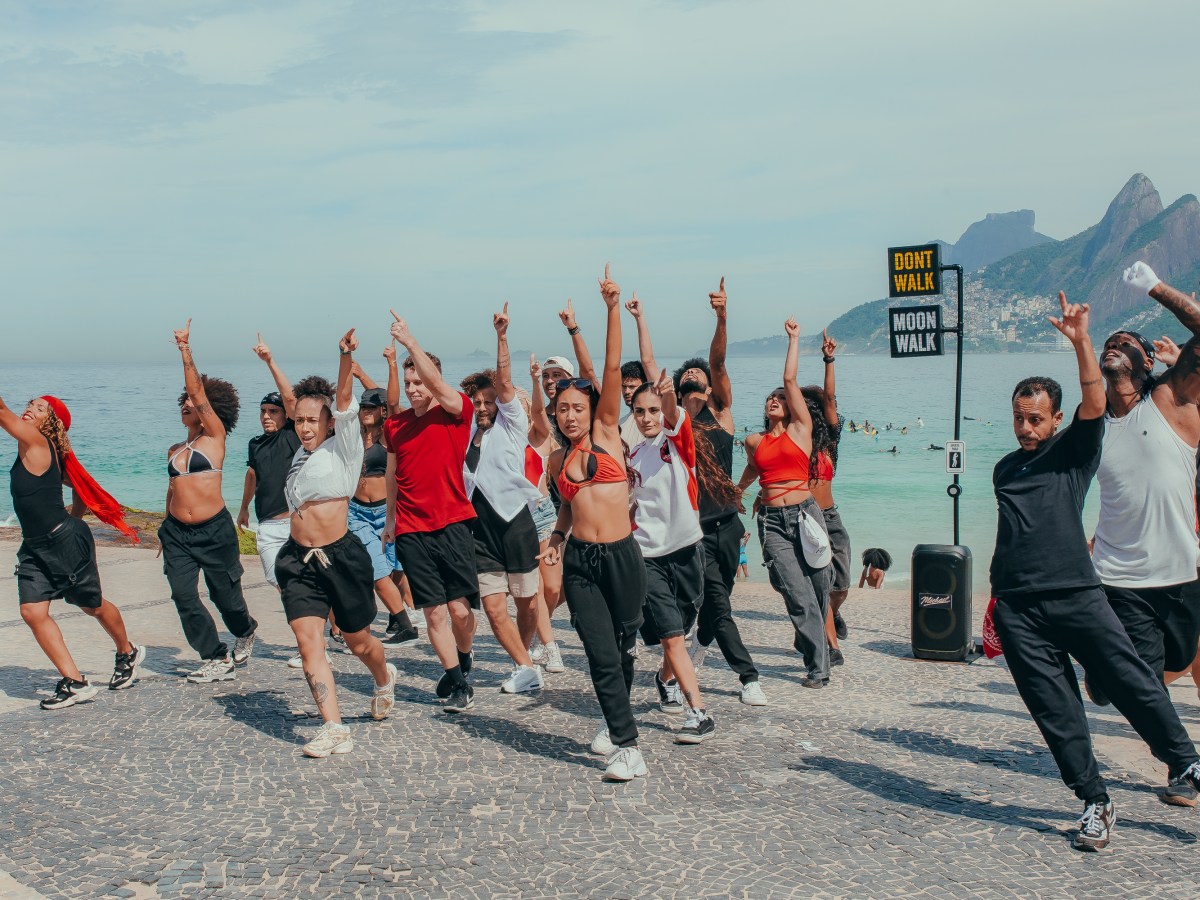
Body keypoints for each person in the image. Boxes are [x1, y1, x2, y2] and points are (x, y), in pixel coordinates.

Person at [989, 291, 1200, 851]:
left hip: (1078, 594)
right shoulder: (1004, 469)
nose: (1026, 428)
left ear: (1056, 419)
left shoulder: (1077, 449)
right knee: (1055, 712)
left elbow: (1092, 395)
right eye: (1019, 418)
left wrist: (1082, 340)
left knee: (1131, 679)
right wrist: (996, 601)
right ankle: (1094, 801)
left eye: (1036, 419)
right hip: (1017, 606)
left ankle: (1186, 761)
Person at [632, 279, 766, 705]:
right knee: (718, 605)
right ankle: (748, 677)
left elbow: (718, 361)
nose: (693, 375)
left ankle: (686, 659)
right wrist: (639, 319)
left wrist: (722, 317)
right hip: (694, 530)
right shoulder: (674, 426)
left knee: (712, 607)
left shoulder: (721, 414)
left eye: (699, 375)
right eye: (686, 374)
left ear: (710, 388)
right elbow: (650, 366)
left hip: (728, 526)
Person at [541, 264, 649, 781]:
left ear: (592, 409)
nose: (569, 416)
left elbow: (608, 365)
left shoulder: (607, 432)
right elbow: (568, 504)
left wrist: (610, 310)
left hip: (623, 557)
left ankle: (613, 720)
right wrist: (557, 536)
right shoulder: (556, 462)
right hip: (582, 561)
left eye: (576, 408)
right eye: (561, 409)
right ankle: (628, 746)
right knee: (601, 652)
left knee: (624, 646)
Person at [275, 329, 396, 758]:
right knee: (308, 641)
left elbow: (344, 398)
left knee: (359, 642)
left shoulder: (344, 446)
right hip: (298, 560)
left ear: (329, 422)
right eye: (300, 420)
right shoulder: (300, 455)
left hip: (341, 557)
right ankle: (334, 727)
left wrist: (344, 357)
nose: (305, 427)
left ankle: (383, 677)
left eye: (313, 420)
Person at [2, 392, 144, 709]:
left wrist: (71, 526)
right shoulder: (41, 451)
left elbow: (2, 413)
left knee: (91, 605)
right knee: (32, 612)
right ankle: (75, 682)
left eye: (40, 408)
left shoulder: (39, 443)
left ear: (50, 424)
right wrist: (75, 518)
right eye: (30, 404)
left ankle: (127, 651)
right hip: (35, 545)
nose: (30, 409)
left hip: (63, 544)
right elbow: (80, 488)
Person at [384, 314, 480, 713]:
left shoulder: (457, 412)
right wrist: (390, 520)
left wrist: (410, 342)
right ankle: (458, 683)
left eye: (419, 382)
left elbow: (441, 389)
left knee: (460, 611)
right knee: (434, 612)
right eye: (408, 383)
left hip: (453, 523)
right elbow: (392, 474)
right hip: (411, 529)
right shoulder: (395, 426)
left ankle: (464, 656)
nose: (412, 389)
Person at [161, 320, 258, 684]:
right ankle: (215, 656)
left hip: (214, 531)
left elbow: (197, 391)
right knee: (183, 596)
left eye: (192, 401)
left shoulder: (214, 438)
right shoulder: (174, 450)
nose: (187, 404)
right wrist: (164, 528)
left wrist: (185, 349)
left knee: (225, 595)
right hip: (177, 534)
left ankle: (245, 629)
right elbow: (172, 489)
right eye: (183, 401)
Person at [737, 317, 832, 688]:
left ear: (791, 407)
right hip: (772, 521)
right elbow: (753, 469)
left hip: (806, 515)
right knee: (796, 591)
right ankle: (818, 666)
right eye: (769, 399)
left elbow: (790, 380)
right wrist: (738, 492)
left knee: (820, 585)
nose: (774, 400)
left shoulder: (800, 429)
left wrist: (794, 339)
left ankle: (811, 638)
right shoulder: (755, 441)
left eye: (780, 398)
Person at [459, 303, 546, 694]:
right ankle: (525, 667)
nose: (482, 407)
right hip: (480, 532)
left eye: (488, 401)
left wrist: (501, 336)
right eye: (477, 402)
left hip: (516, 525)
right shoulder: (466, 435)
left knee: (528, 604)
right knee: (494, 608)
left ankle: (521, 658)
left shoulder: (511, 426)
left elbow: (506, 380)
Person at [628, 370, 717, 742]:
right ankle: (699, 714)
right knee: (671, 637)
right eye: (639, 411)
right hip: (648, 557)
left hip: (687, 553)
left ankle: (665, 679)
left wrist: (666, 396)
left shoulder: (677, 441)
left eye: (652, 410)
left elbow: (672, 413)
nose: (646, 418)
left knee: (681, 631)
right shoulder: (631, 457)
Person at [348, 366, 420, 648]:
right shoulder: (354, 435)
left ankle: (396, 616)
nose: (366, 410)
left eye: (371, 406)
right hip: (357, 512)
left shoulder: (389, 433)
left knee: (395, 569)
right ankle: (404, 624)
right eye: (363, 406)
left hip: (387, 511)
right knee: (376, 570)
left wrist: (389, 366)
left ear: (382, 411)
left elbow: (391, 401)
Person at [236, 335, 301, 607]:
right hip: (266, 525)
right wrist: (243, 508)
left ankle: (326, 627)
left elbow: (290, 398)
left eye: (273, 411)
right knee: (276, 579)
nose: (266, 416)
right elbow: (253, 475)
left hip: (294, 523)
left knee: (303, 582)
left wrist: (269, 361)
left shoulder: (292, 435)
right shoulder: (255, 444)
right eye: (262, 411)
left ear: (284, 415)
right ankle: (316, 623)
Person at [805, 329, 851, 665]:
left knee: (842, 582)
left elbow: (832, 399)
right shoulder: (793, 442)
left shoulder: (828, 443)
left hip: (830, 515)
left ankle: (833, 613)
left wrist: (829, 360)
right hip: (806, 517)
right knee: (819, 583)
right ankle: (830, 646)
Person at [524, 356, 566, 673]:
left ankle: (535, 629)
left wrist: (536, 381)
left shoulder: (539, 435)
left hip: (549, 514)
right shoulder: (502, 439)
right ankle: (548, 646)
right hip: (519, 519)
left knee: (554, 588)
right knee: (538, 588)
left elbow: (539, 412)